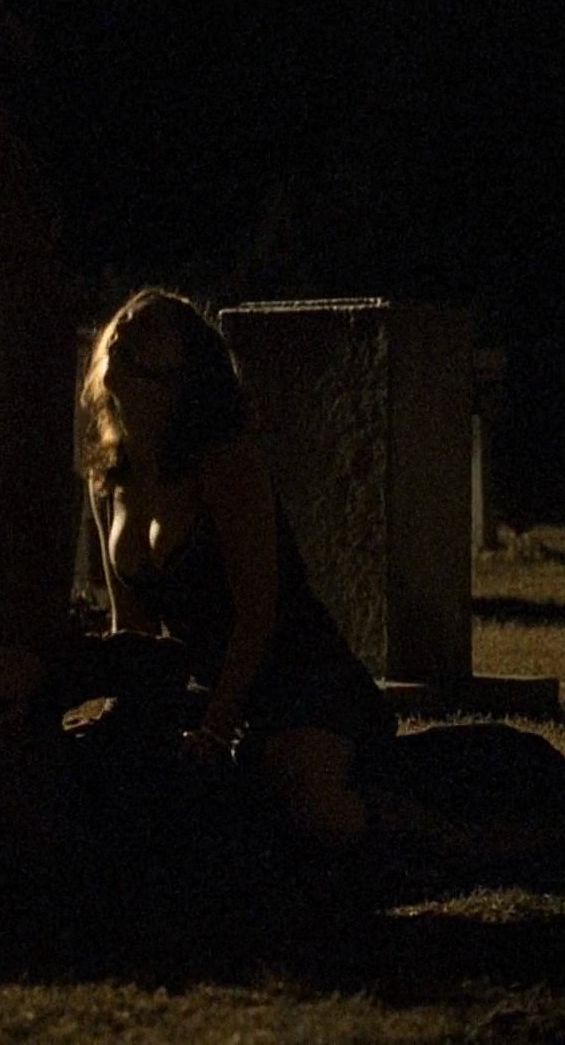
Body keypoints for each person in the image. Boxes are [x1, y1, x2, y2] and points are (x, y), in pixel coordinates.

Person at [73, 288, 398, 850]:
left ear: (185, 371)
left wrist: (217, 728)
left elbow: (257, 613)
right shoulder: (110, 478)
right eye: (124, 319)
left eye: (151, 325)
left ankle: (430, 834)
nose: (124, 325)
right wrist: (129, 717)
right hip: (213, 694)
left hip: (303, 684)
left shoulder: (226, 461)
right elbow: (135, 632)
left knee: (305, 804)